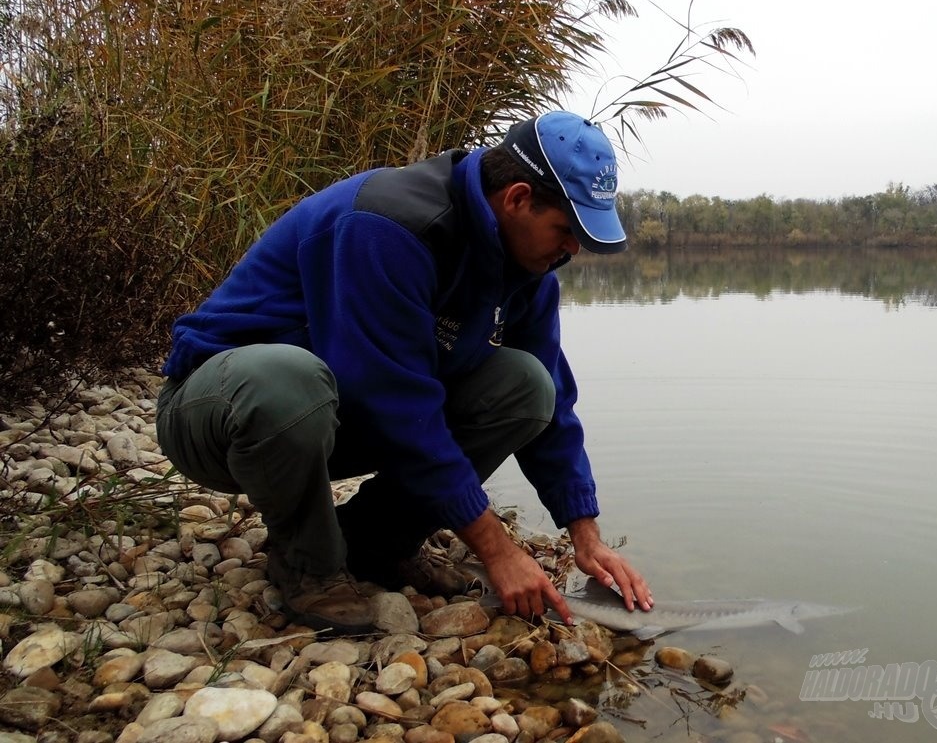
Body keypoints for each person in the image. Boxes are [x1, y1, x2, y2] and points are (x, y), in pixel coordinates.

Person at [156, 110, 653, 635]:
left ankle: (373, 544)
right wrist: (496, 549)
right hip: (222, 415)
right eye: (566, 229)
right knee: (287, 379)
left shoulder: (529, 269)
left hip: (335, 418)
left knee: (528, 387)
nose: (572, 249)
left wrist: (584, 531)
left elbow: (552, 403)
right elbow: (393, 400)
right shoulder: (389, 226)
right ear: (518, 199)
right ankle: (308, 566)